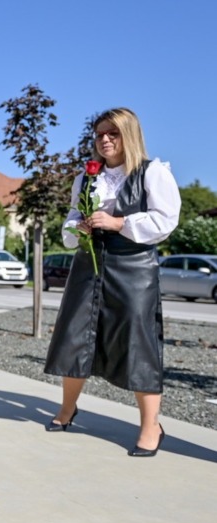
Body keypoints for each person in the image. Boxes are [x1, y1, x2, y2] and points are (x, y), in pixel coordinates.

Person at [44, 107, 180, 456]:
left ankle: (151, 426)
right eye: (100, 134)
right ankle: (67, 408)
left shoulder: (152, 173)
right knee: (75, 335)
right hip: (89, 264)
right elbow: (72, 220)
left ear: (129, 135)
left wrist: (119, 223)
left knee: (138, 340)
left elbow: (166, 221)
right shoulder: (86, 179)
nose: (104, 139)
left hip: (133, 266)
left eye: (113, 133)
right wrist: (80, 227)